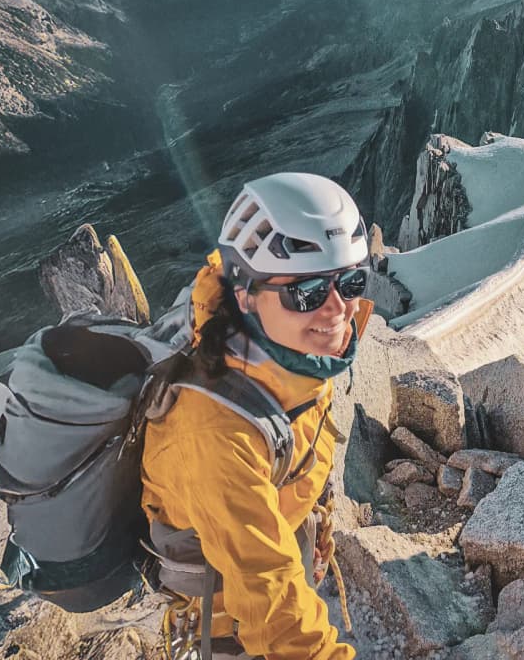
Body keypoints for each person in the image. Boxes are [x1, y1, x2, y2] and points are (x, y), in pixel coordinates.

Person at [140, 173, 371, 660]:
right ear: (244, 295)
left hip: (277, 557)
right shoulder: (213, 429)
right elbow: (271, 600)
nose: (338, 308)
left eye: (352, 282)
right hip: (226, 627)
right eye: (305, 292)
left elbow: (304, 444)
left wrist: (317, 520)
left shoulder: (292, 353)